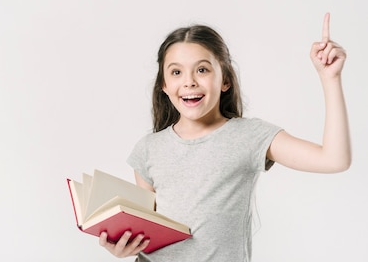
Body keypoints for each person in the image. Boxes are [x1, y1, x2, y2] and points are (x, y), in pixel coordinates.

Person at [98, 13, 351, 261]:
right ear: (163, 85)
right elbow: (145, 230)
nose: (189, 82)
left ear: (225, 80)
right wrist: (123, 246)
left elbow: (334, 159)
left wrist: (330, 78)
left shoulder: (249, 136)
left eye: (202, 69)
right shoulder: (148, 149)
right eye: (176, 72)